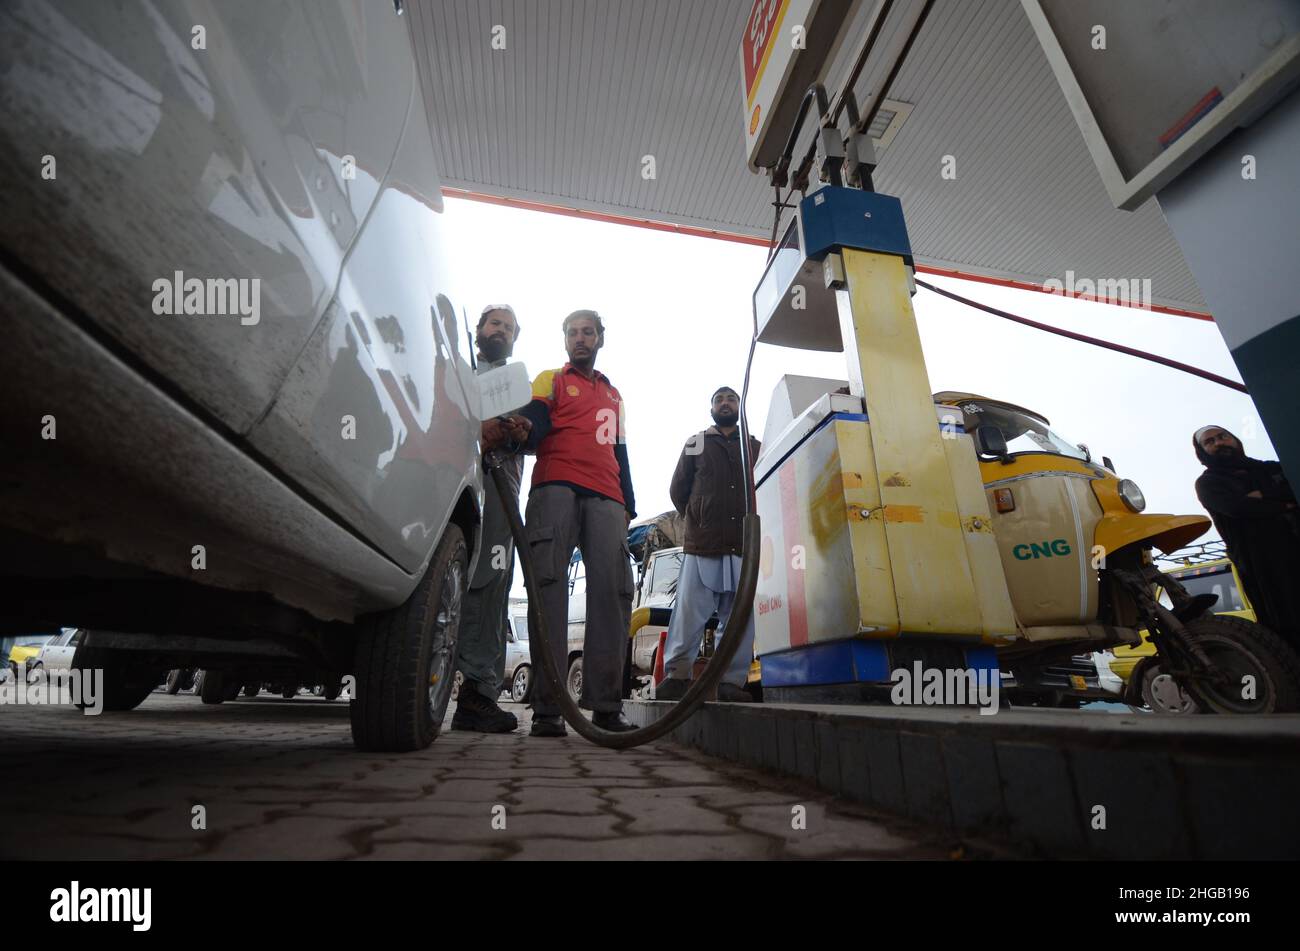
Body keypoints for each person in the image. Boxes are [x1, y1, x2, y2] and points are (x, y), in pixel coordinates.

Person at [517, 310, 637, 736]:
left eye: (588, 332)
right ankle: (549, 710)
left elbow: (620, 452)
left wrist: (630, 505)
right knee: (549, 589)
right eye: (573, 333)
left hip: (608, 495)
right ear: (565, 340)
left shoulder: (614, 394)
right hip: (555, 486)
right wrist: (522, 428)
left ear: (601, 338)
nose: (580, 339)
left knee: (612, 592)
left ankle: (606, 706)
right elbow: (535, 420)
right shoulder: (550, 378)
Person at [452, 305, 531, 732]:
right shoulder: (455, 368)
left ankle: (477, 695)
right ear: (479, 330)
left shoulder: (517, 382)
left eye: (509, 327)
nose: (500, 330)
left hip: (500, 492)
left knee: (492, 583)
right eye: (494, 323)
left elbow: (526, 434)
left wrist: (519, 431)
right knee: (445, 576)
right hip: (450, 485)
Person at [657, 387, 760, 702]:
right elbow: (679, 488)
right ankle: (676, 677)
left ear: (739, 406)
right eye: (719, 399)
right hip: (702, 543)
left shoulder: (753, 445)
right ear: (711, 408)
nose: (725, 403)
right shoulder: (697, 441)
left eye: (731, 399)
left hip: (742, 545)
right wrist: (699, 516)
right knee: (689, 611)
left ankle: (731, 683)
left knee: (740, 617)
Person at [1192, 425, 1300, 648]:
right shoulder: (1209, 483)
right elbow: (1239, 509)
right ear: (1202, 451)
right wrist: (1285, 503)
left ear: (1235, 439)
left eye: (1222, 436)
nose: (1219, 443)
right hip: (1265, 567)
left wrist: (1264, 495)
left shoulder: (1272, 468)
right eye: (1210, 442)